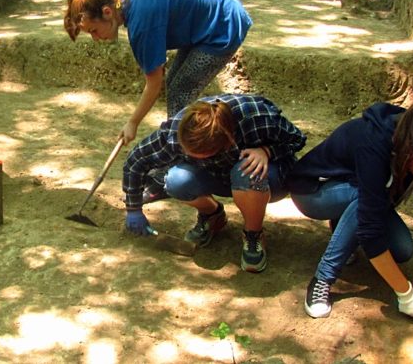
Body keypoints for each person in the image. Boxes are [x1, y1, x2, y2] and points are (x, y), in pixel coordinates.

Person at [287, 102, 413, 318]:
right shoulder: (373, 144)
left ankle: (342, 224)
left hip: (355, 189)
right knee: (363, 202)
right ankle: (323, 278)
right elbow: (370, 231)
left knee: (402, 249)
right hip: (313, 192)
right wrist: (406, 294)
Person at [64, 0, 252, 146]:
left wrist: (133, 122)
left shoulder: (141, 25)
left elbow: (154, 83)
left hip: (223, 24)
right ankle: (181, 144)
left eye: (94, 31)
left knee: (180, 93)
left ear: (107, 12)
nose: (96, 39)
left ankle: (181, 152)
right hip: (211, 16)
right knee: (174, 86)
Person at [123, 94, 306, 272]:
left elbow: (297, 139)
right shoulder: (176, 130)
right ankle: (212, 215)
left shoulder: (255, 117)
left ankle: (253, 234)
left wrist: (266, 151)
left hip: (268, 178)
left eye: (197, 154)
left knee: (246, 171)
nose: (186, 153)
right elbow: (137, 161)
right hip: (219, 174)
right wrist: (133, 208)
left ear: (224, 145)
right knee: (176, 180)